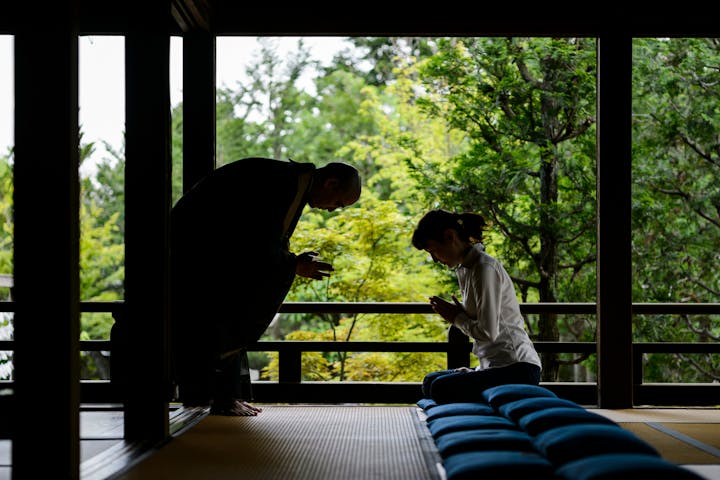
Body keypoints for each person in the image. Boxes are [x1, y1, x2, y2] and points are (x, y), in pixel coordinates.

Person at [170, 157, 362, 416]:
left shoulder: (288, 181)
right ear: (331, 183)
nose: (332, 210)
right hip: (195, 252)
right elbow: (252, 242)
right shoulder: (280, 182)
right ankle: (216, 396)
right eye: (338, 203)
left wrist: (289, 263)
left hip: (206, 252)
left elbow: (261, 242)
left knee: (227, 319)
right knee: (226, 317)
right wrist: (292, 264)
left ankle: (221, 396)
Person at [411, 209, 541, 404]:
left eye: (433, 250)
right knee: (430, 382)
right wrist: (459, 314)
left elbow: (488, 333)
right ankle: (481, 382)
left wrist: (456, 318)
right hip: (493, 366)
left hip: (518, 368)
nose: (435, 259)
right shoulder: (466, 270)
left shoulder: (484, 268)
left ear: (450, 237)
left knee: (439, 388)